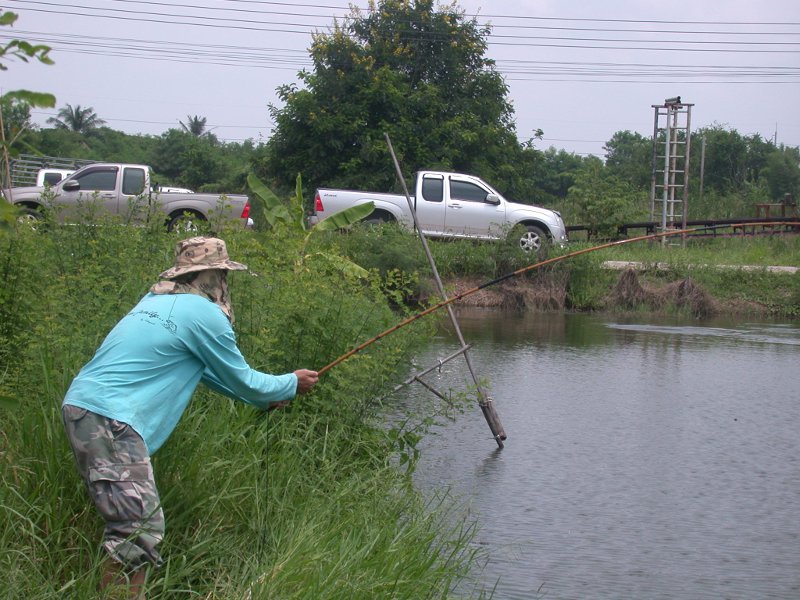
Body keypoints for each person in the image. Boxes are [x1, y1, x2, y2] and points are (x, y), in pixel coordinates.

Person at [61, 236, 318, 598]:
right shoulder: (205, 314)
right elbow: (245, 379)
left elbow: (215, 375)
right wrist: (290, 383)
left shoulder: (157, 300)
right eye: (222, 276)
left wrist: (267, 398)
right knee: (137, 531)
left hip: (85, 408)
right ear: (212, 275)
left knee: (132, 527)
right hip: (112, 419)